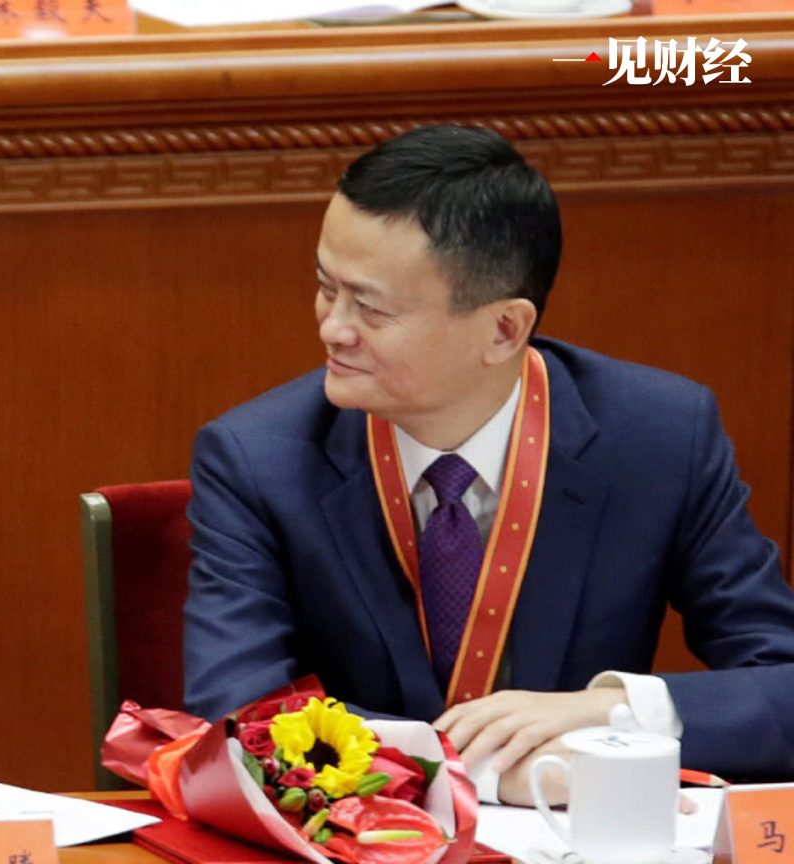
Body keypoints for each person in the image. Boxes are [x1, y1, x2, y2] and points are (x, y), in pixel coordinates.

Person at [182, 124, 794, 805]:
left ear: (504, 329)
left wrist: (614, 712)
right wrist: (487, 773)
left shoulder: (660, 438)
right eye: (327, 288)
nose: (332, 327)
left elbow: (782, 683)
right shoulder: (257, 458)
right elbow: (241, 716)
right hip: (368, 838)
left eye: (370, 308)